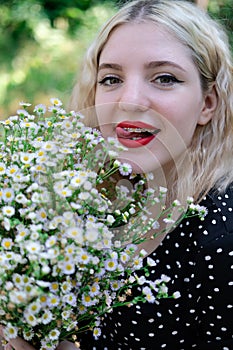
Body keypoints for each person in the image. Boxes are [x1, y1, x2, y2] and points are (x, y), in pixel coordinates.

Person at [1, 0, 233, 349]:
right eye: (111, 79)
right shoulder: (84, 204)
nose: (130, 100)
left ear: (207, 103)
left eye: (165, 78)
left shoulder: (222, 237)